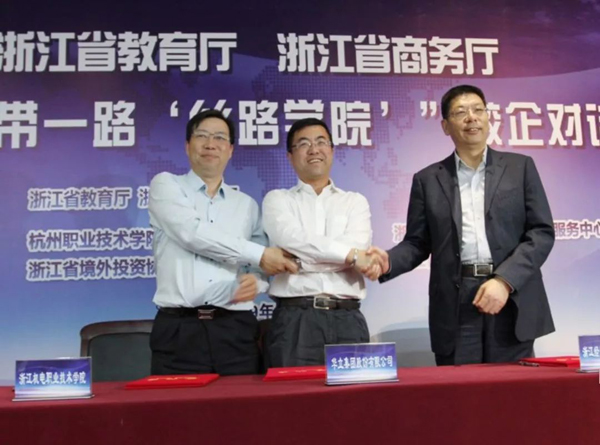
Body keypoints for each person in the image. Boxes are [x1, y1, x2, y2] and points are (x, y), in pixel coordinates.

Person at [370, 85, 555, 365]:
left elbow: (541, 233)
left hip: (510, 297)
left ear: (488, 118)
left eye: (478, 110)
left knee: (513, 389)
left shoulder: (520, 167)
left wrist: (505, 281)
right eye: (460, 112)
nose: (471, 117)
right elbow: (417, 243)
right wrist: (388, 261)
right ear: (446, 126)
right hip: (455, 303)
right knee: (461, 389)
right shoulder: (428, 179)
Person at [148, 109, 298, 376]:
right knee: (176, 404)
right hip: (179, 331)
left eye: (219, 138)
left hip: (235, 328)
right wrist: (260, 254)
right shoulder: (166, 185)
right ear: (187, 146)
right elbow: (191, 233)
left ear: (230, 150)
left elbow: (260, 269)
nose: (210, 144)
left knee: (240, 403)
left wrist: (256, 282)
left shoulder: (247, 205)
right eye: (202, 136)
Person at [262, 118, 380, 367]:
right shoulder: (278, 200)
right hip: (295, 321)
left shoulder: (355, 202)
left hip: (347, 318)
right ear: (290, 156)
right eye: (304, 144)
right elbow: (290, 238)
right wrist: (351, 258)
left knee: (353, 393)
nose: (314, 149)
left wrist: (298, 261)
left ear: (332, 150)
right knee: (293, 392)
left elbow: (357, 246)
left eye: (321, 142)